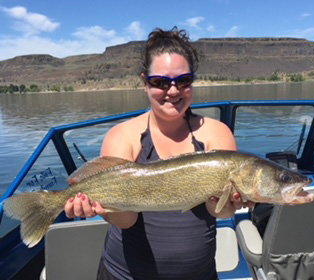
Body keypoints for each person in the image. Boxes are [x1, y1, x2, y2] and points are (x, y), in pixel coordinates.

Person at [64, 27, 253, 280]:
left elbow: (220, 212)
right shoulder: (124, 136)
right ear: (145, 83)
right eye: (160, 82)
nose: (173, 91)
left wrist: (232, 204)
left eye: (183, 80)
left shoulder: (216, 134)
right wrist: (99, 207)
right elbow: (126, 220)